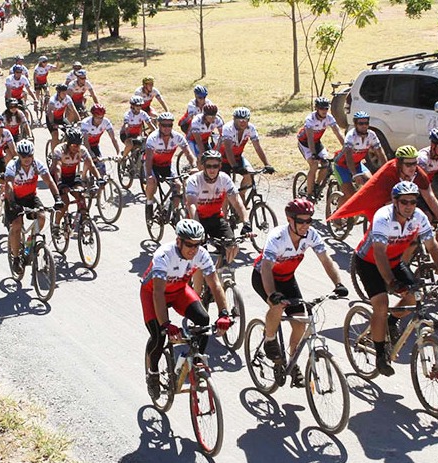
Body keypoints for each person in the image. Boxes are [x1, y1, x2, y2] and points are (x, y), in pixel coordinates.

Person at [354, 181, 438, 376]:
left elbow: (433, 247)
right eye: (404, 202)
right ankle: (381, 354)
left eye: (413, 201)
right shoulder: (383, 217)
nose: (409, 206)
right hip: (369, 262)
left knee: (413, 296)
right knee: (381, 305)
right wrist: (392, 282)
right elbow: (379, 253)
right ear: (395, 201)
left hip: (393, 261)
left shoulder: (419, 217)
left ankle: (391, 321)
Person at [253, 198, 347, 385]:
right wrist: (272, 294)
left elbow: (326, 260)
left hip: (287, 279)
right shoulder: (277, 237)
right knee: (277, 306)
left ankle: (292, 360)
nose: (305, 225)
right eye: (301, 221)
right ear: (290, 220)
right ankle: (270, 339)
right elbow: (266, 269)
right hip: (264, 277)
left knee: (299, 322)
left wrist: (338, 283)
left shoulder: (311, 235)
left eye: (309, 220)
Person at [141, 219, 232, 399]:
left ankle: (197, 362)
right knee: (159, 336)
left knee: (203, 321)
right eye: (189, 244)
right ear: (178, 242)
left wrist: (224, 314)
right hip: (153, 295)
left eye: (197, 244)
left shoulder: (201, 254)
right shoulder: (163, 255)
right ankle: (152, 373)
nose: (193, 249)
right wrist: (166, 324)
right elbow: (158, 293)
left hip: (179, 291)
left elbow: (215, 285)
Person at [328, 145, 438, 234]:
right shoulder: (389, 173)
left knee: (426, 217)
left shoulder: (419, 174)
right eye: (408, 164)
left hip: (405, 198)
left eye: (414, 164)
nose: (413, 168)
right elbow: (389, 204)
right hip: (384, 200)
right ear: (399, 164)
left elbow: (430, 196)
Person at [4, 140, 64, 275]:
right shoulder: (13, 165)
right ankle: (16, 258)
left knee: (42, 217)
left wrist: (57, 198)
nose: (27, 159)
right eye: (24, 156)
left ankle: (29, 245)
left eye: (29, 156)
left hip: (30, 197)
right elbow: (8, 185)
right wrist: (13, 204)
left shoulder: (37, 164)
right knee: (17, 225)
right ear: (19, 156)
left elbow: (49, 180)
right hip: (14, 198)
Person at [185, 150, 250, 265]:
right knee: (199, 254)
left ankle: (220, 271)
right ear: (203, 166)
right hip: (197, 219)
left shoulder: (224, 179)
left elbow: (236, 201)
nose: (212, 169)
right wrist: (197, 228)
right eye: (208, 166)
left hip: (215, 218)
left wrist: (246, 222)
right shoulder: (194, 180)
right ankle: (197, 278)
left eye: (215, 166)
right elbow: (191, 204)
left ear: (220, 166)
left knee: (232, 246)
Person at [144, 112, 195, 222]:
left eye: (170, 125)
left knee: (178, 186)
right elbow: (148, 159)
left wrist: (194, 166)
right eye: (164, 125)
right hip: (152, 165)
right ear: (159, 125)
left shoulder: (177, 137)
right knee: (152, 183)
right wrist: (149, 175)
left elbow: (189, 154)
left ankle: (170, 211)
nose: (167, 128)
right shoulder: (153, 138)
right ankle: (149, 203)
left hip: (166, 165)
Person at [50, 128, 103, 234]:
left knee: (81, 198)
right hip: (58, 177)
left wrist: (99, 178)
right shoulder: (59, 150)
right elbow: (57, 168)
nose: (76, 148)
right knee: (65, 202)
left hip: (72, 176)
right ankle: (56, 224)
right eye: (74, 145)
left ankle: (84, 222)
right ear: (68, 144)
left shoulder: (82, 150)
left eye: (78, 145)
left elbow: (90, 164)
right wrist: (60, 183)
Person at [219, 107, 275, 201]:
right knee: (226, 189)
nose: (243, 122)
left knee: (250, 174)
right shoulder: (228, 128)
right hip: (223, 159)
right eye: (240, 120)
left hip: (237, 157)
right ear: (234, 120)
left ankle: (241, 196)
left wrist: (267, 164)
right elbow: (228, 149)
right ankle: (224, 213)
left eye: (245, 120)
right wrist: (234, 166)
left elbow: (257, 147)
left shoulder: (250, 128)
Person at [333, 111, 386, 209]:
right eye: (361, 123)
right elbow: (348, 156)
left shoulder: (371, 135)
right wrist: (355, 174)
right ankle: (337, 213)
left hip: (357, 164)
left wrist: (386, 169)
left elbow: (380, 153)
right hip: (342, 166)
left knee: (372, 185)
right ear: (355, 124)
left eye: (366, 123)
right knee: (350, 194)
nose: (364, 126)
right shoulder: (351, 136)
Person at [297, 97, 345, 199]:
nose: (324, 111)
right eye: (321, 108)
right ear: (316, 108)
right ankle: (309, 194)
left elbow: (338, 133)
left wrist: (347, 148)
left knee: (326, 164)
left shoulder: (329, 117)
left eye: (326, 109)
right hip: (305, 143)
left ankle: (316, 185)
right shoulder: (310, 119)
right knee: (314, 165)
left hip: (317, 142)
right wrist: (314, 154)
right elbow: (309, 138)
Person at [80, 103, 120, 176]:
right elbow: (85, 142)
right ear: (93, 116)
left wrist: (118, 152)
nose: (100, 120)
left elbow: (113, 138)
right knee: (89, 161)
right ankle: (83, 177)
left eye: (101, 117)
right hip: (83, 146)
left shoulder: (106, 122)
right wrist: (91, 154)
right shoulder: (85, 123)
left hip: (94, 145)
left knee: (102, 169)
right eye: (98, 117)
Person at [46, 83, 78, 151]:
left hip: (60, 118)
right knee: (55, 135)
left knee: (71, 132)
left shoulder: (67, 98)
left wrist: (79, 121)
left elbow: (74, 110)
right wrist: (52, 123)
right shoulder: (52, 100)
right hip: (51, 119)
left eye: (65, 93)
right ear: (58, 93)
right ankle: (54, 155)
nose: (65, 95)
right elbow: (50, 113)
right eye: (63, 93)